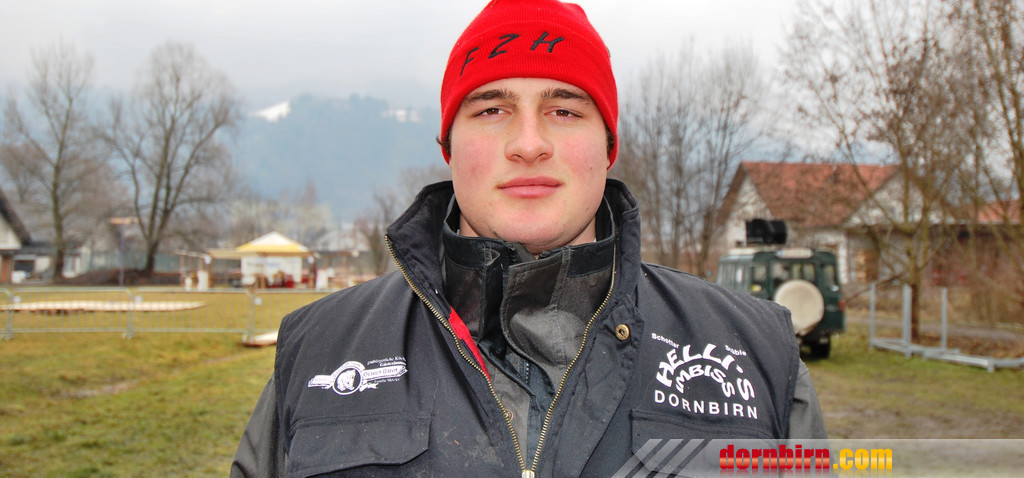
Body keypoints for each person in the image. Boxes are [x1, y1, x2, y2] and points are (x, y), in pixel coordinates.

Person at [231, 0, 827, 476]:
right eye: (491, 109)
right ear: (447, 147)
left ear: (608, 146)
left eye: (564, 110)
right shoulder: (317, 352)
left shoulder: (759, 354)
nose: (528, 143)